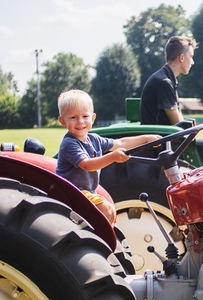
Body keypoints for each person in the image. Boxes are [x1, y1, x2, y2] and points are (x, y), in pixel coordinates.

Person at [56, 89, 159, 224]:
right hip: (71, 192)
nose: (80, 121)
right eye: (73, 117)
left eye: (85, 116)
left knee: (110, 209)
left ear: (93, 118)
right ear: (62, 121)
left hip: (87, 191)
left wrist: (145, 138)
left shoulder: (94, 139)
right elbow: (87, 165)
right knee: (105, 210)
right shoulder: (70, 144)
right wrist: (113, 157)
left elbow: (120, 143)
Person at [139, 36, 203, 166]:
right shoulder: (164, 82)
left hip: (167, 139)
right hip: (165, 144)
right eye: (191, 56)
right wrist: (191, 127)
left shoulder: (166, 78)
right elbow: (178, 124)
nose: (193, 62)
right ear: (182, 58)